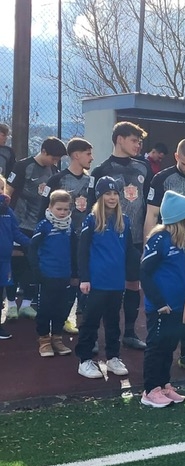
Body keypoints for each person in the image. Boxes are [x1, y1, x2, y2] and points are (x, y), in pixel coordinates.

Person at [89, 121, 151, 350]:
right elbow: (93, 209)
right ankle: (94, 336)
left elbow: (150, 204)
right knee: (103, 289)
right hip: (108, 242)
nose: (138, 145)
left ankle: (130, 333)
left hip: (135, 240)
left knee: (134, 285)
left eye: (140, 141)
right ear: (119, 139)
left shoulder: (144, 168)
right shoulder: (101, 171)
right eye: (134, 140)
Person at [143, 138, 185, 386]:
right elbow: (151, 215)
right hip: (170, 252)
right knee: (169, 303)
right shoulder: (161, 179)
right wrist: (148, 248)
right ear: (176, 156)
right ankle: (157, 373)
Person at [76, 176, 139, 379]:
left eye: (115, 194)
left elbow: (129, 251)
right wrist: (84, 278)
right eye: (107, 194)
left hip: (116, 282)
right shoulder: (91, 219)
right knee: (91, 321)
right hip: (96, 281)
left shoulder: (124, 221)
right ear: (99, 196)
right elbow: (82, 251)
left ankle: (113, 357)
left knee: (113, 321)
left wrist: (137, 272)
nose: (112, 197)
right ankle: (84, 360)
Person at [140, 190, 185, 408]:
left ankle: (163, 385)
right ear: (179, 217)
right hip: (162, 307)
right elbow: (145, 272)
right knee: (157, 346)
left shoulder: (177, 240)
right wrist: (159, 302)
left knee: (169, 345)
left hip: (175, 306)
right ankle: (150, 390)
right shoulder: (159, 239)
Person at [5, 137, 67, 320]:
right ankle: (11, 305)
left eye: (57, 160)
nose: (54, 162)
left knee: (33, 264)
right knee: (15, 263)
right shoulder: (22, 166)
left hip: (39, 226)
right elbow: (8, 191)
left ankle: (26, 304)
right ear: (43, 151)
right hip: (18, 224)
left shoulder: (54, 171)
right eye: (53, 158)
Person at [39, 138, 94, 335]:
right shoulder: (56, 179)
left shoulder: (91, 181)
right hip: (63, 241)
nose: (91, 158)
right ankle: (56, 323)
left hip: (85, 241)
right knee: (65, 284)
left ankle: (78, 321)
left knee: (84, 281)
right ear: (76, 155)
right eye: (88, 154)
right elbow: (42, 210)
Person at [29, 190, 77, 357]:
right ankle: (44, 339)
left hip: (64, 275)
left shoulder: (70, 227)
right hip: (47, 275)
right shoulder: (43, 226)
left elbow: (74, 250)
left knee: (61, 309)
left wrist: (75, 272)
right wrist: (36, 271)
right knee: (45, 309)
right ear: (50, 207)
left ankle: (57, 337)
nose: (62, 212)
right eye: (59, 209)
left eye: (66, 209)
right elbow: (32, 249)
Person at [0, 175, 30, 340]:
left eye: (1, 188)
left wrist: (32, 244)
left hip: (4, 261)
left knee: (0, 293)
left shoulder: (8, 211)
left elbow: (16, 232)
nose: (0, 192)